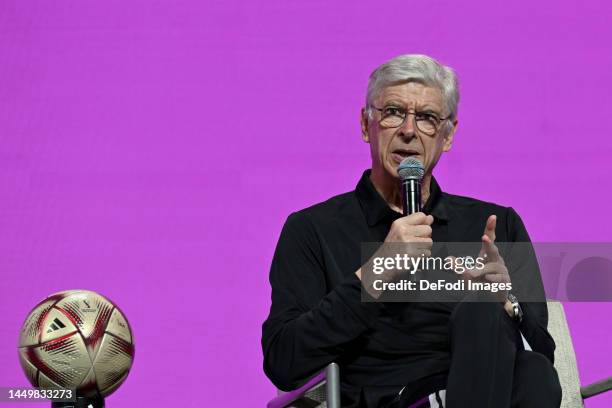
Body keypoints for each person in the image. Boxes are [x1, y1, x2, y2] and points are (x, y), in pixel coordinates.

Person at [262, 54, 561, 408]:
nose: (408, 129)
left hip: (478, 388)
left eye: (427, 118)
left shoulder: (496, 225)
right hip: (389, 400)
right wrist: (376, 271)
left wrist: (506, 303)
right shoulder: (313, 229)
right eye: (392, 112)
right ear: (364, 124)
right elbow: (283, 361)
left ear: (447, 135)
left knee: (527, 362)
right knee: (532, 377)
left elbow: (543, 351)